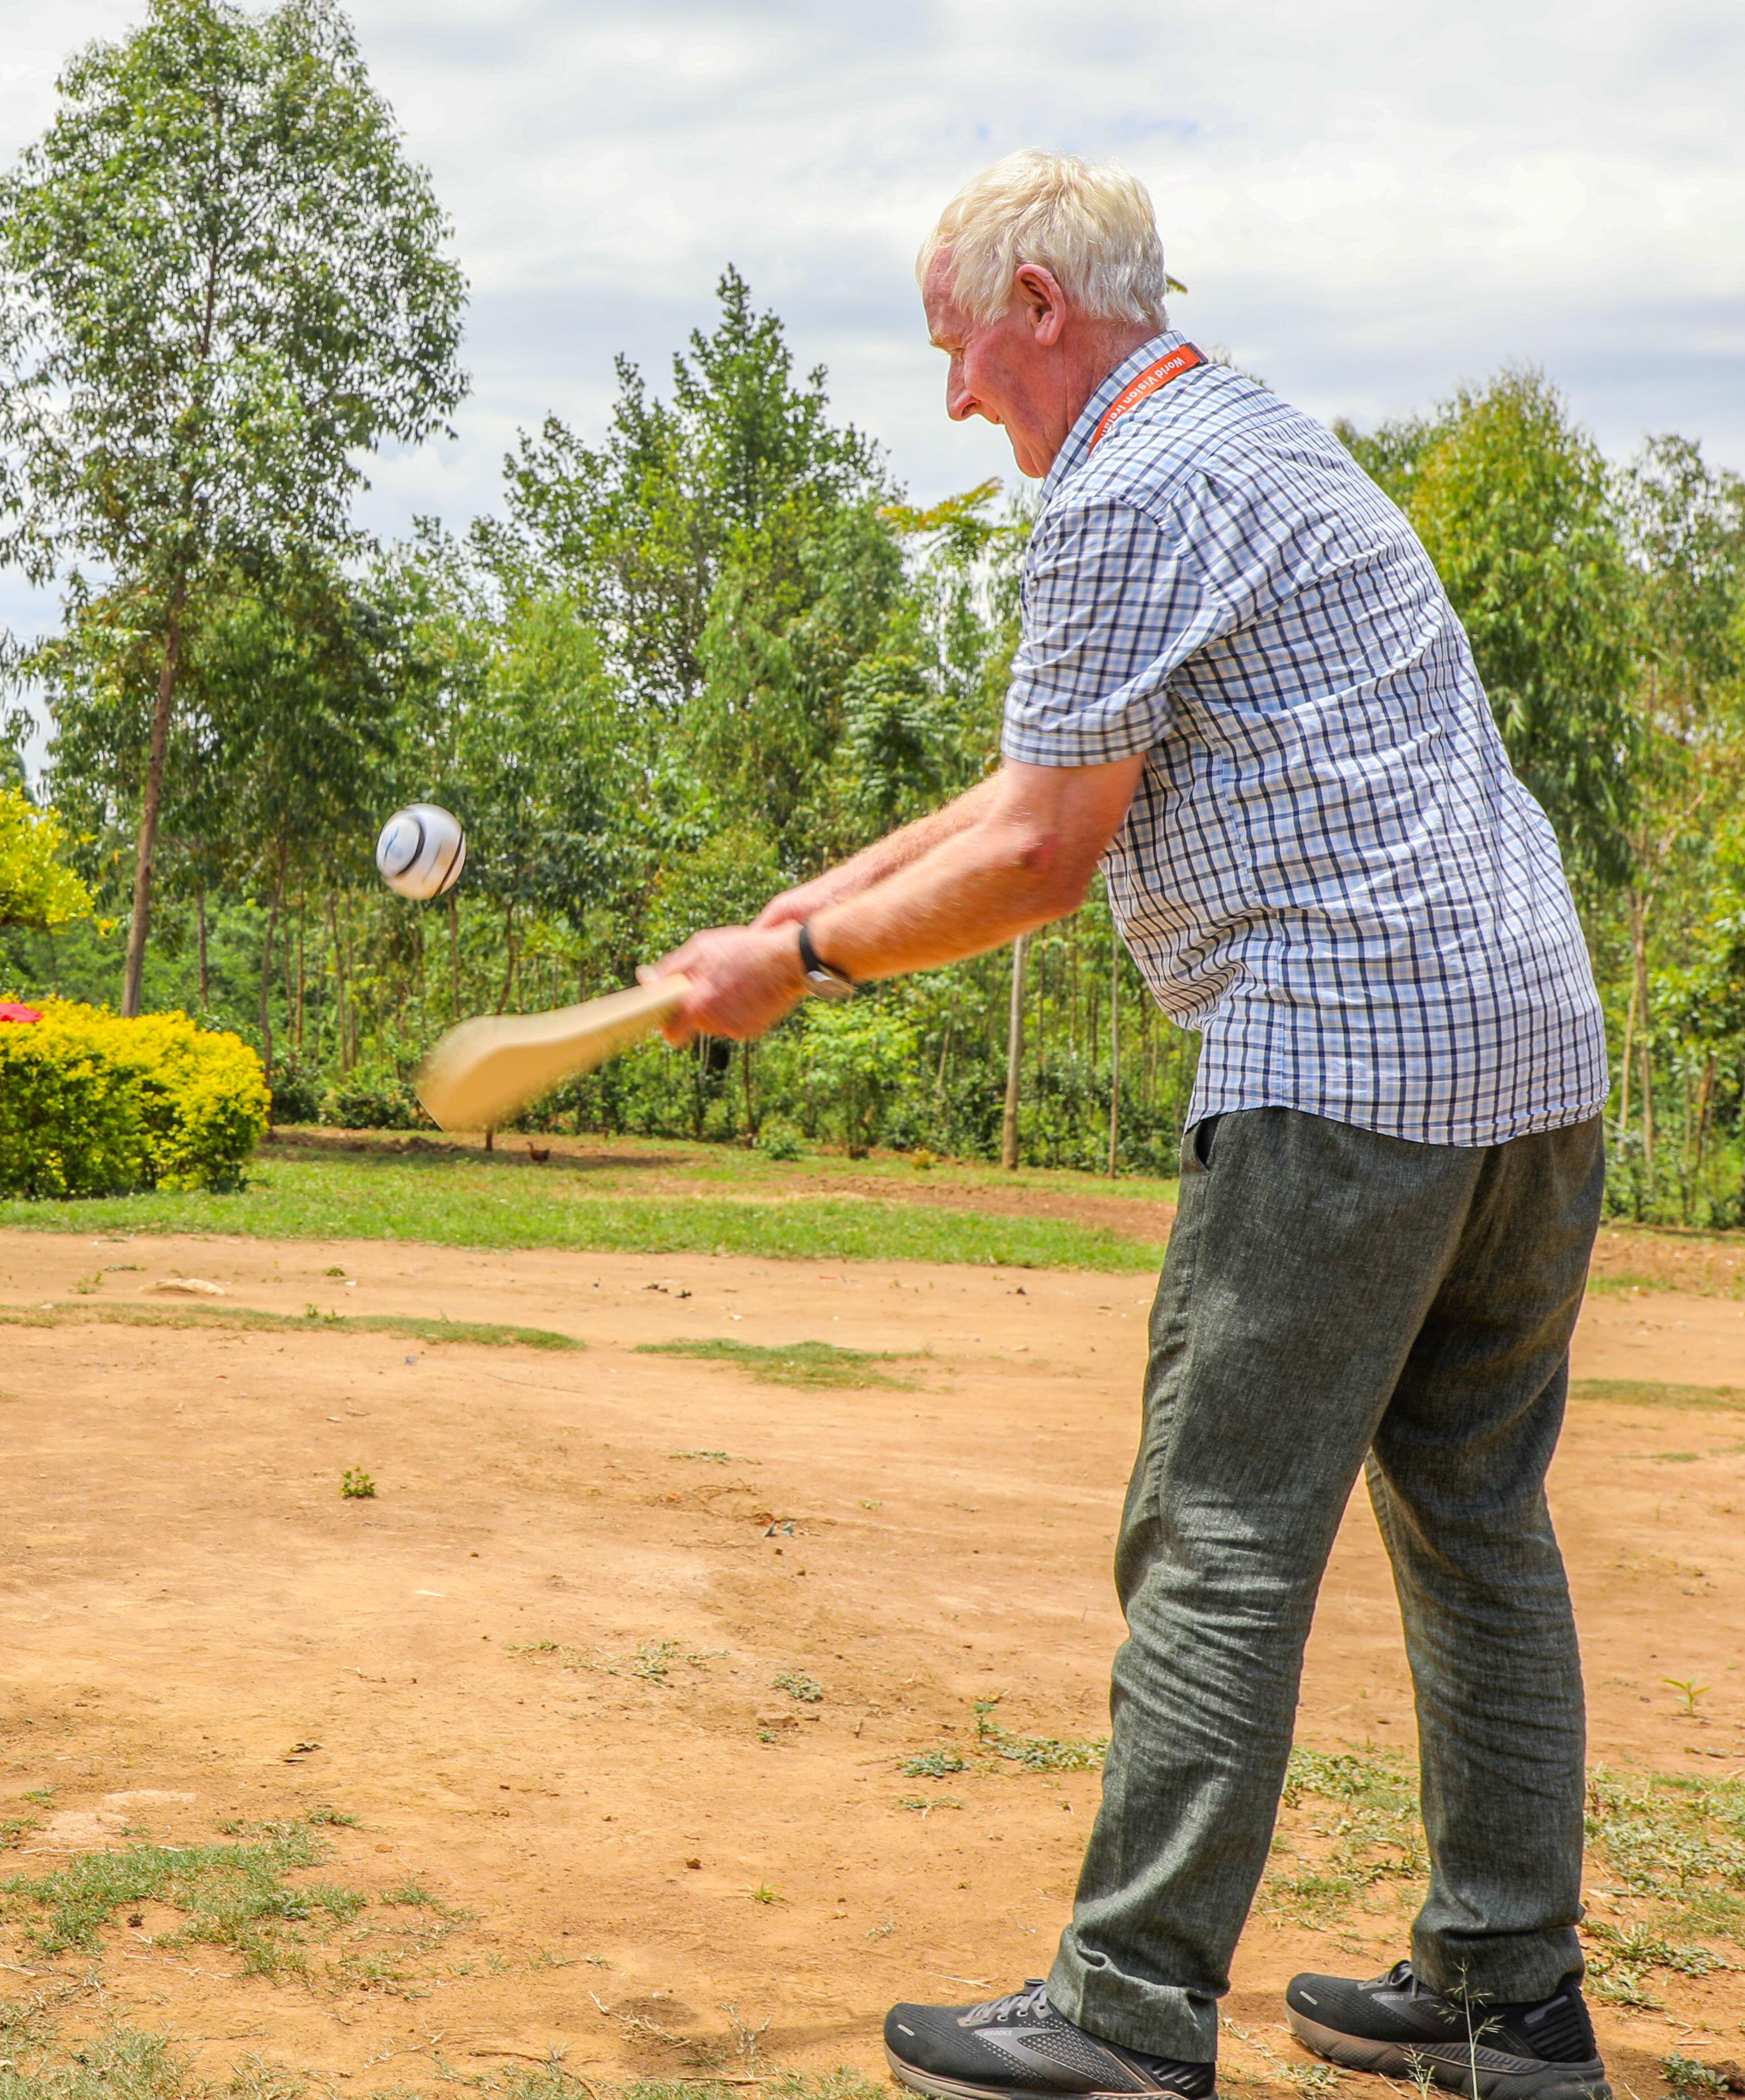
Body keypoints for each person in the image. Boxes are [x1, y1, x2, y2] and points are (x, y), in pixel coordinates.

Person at [645, 152, 1611, 2100]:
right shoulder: (1252, 440)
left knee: (1222, 1536)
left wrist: (806, 969)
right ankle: (1510, 1999)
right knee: (1479, 1522)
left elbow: (1035, 856)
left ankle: (1125, 2008)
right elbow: (1030, 780)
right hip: (1528, 1061)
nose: (951, 403)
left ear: (1030, 304)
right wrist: (795, 911)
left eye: (953, 353)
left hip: (1341, 1068)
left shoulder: (1118, 490)